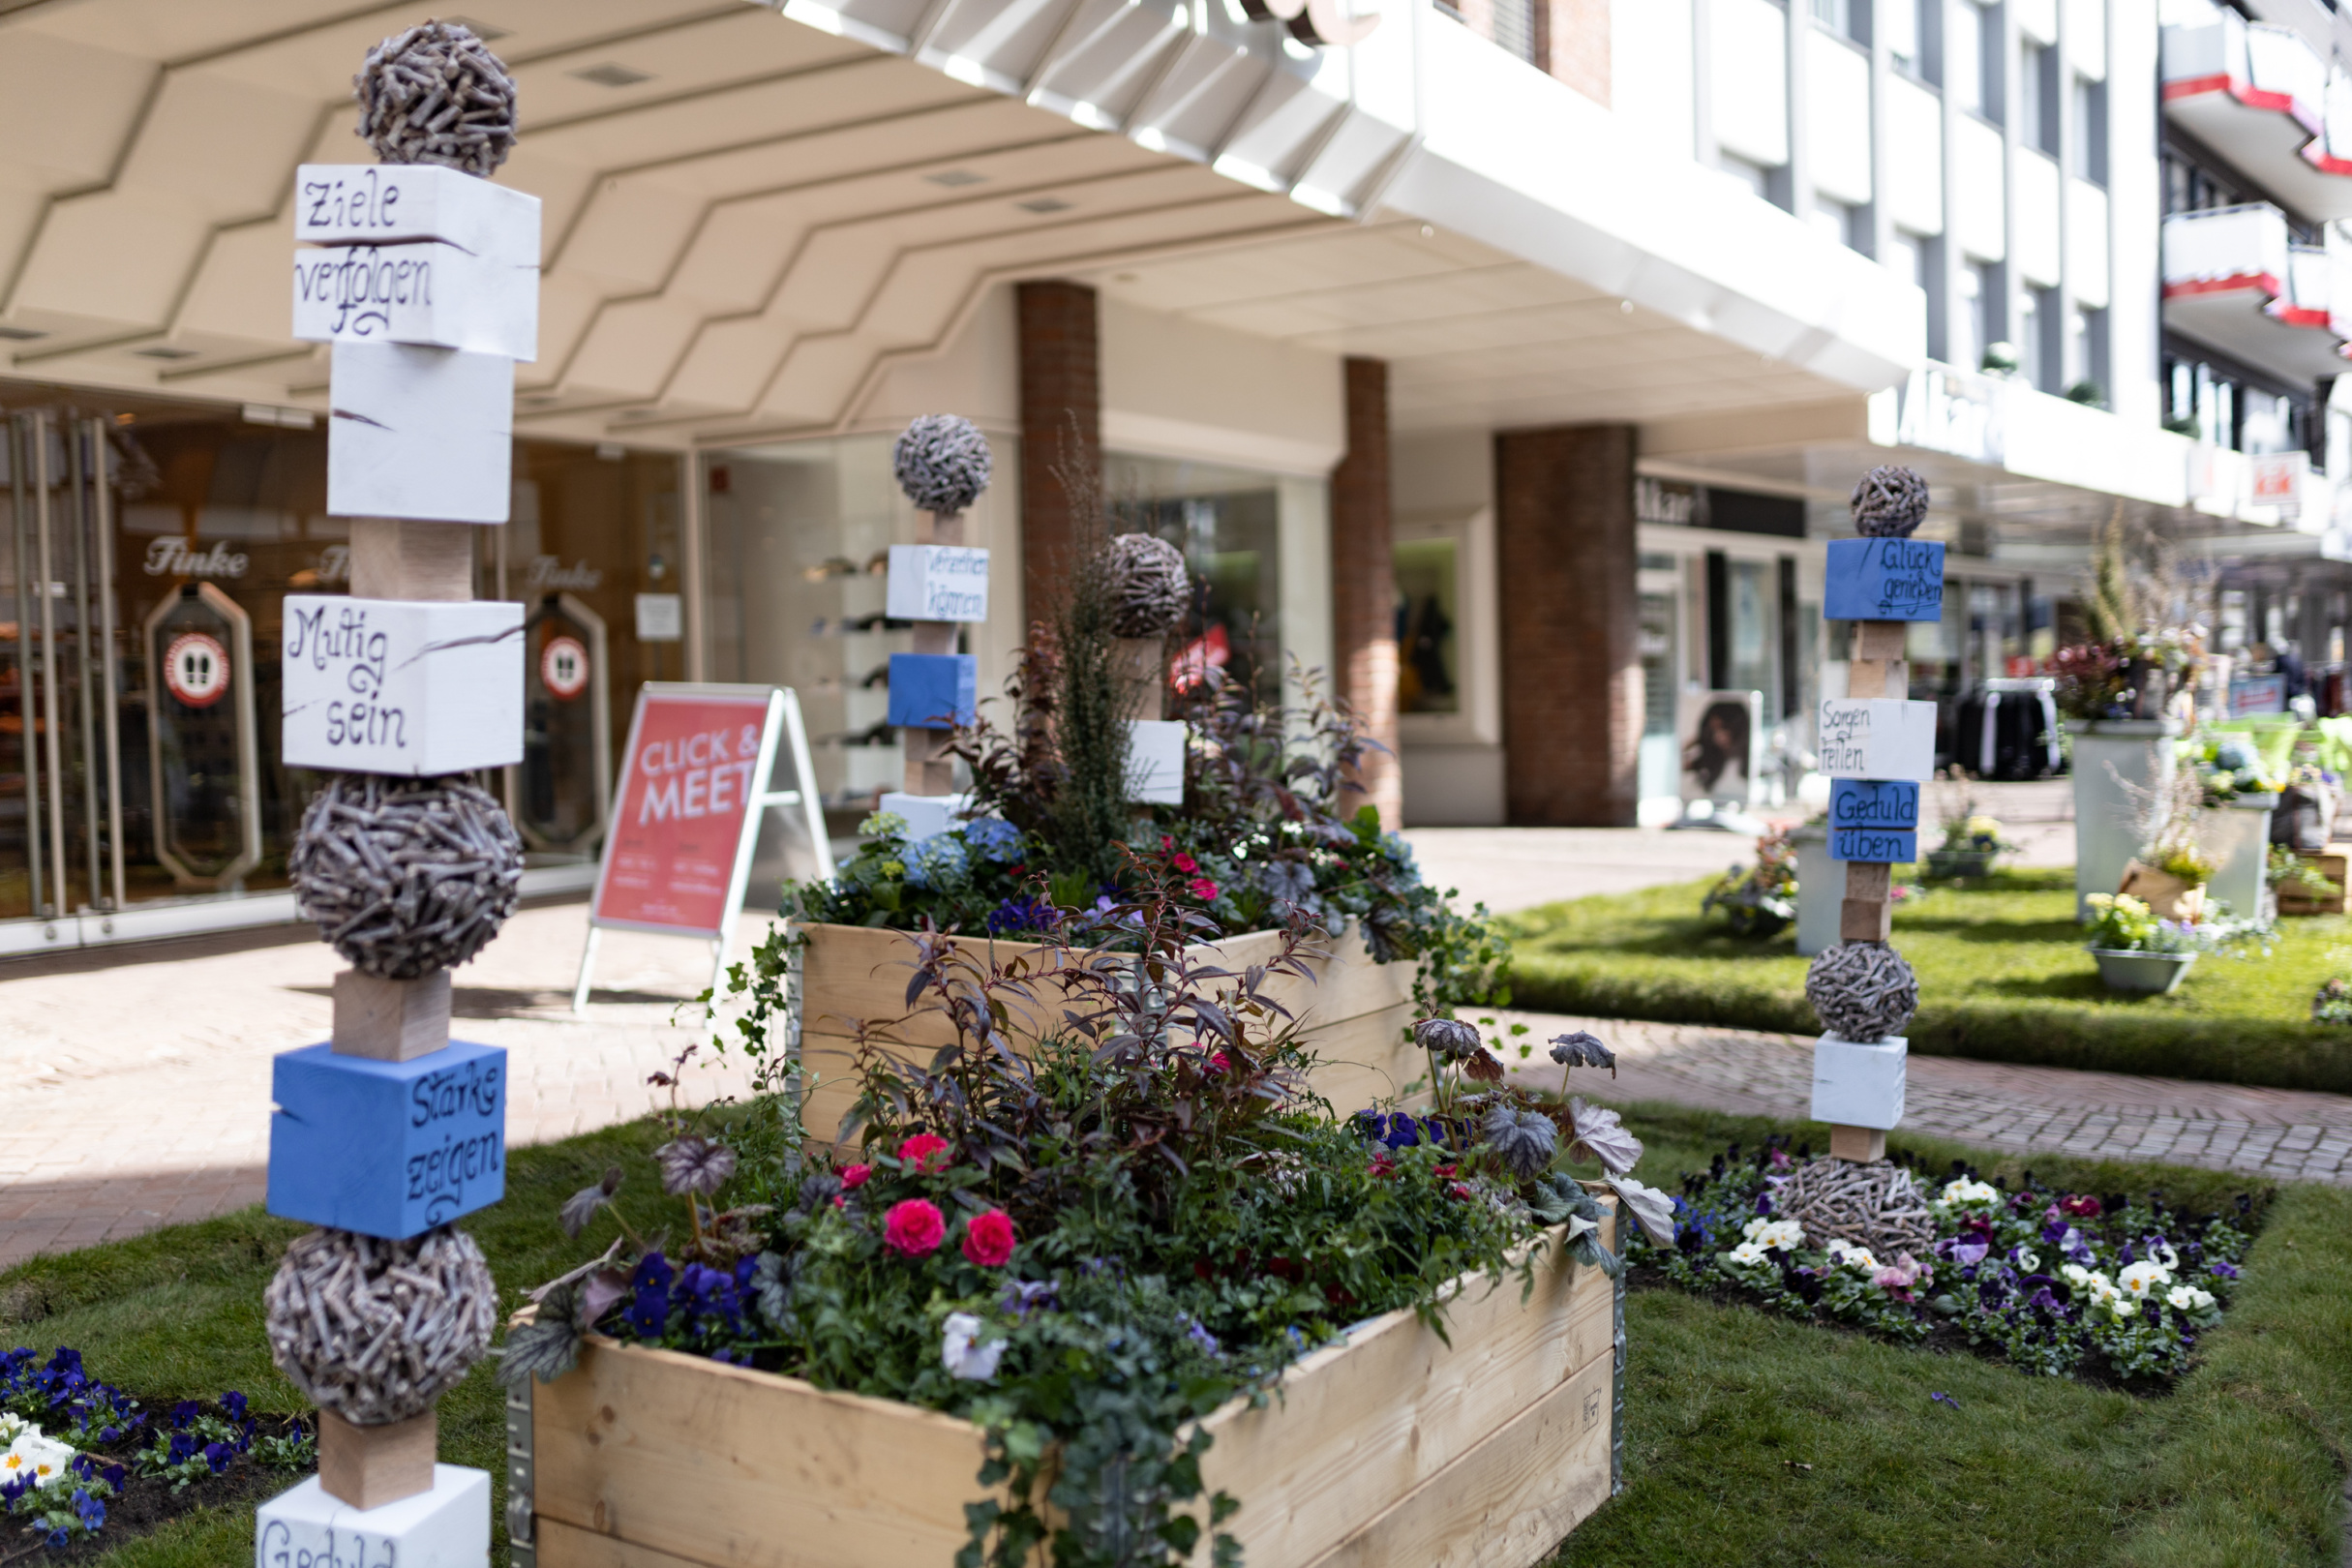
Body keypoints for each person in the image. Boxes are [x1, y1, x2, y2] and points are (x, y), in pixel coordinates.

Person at [1683, 699, 1752, 797]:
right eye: (1713, 730)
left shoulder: (1752, 764)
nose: (1718, 736)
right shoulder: (1707, 762)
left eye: (1724, 728)